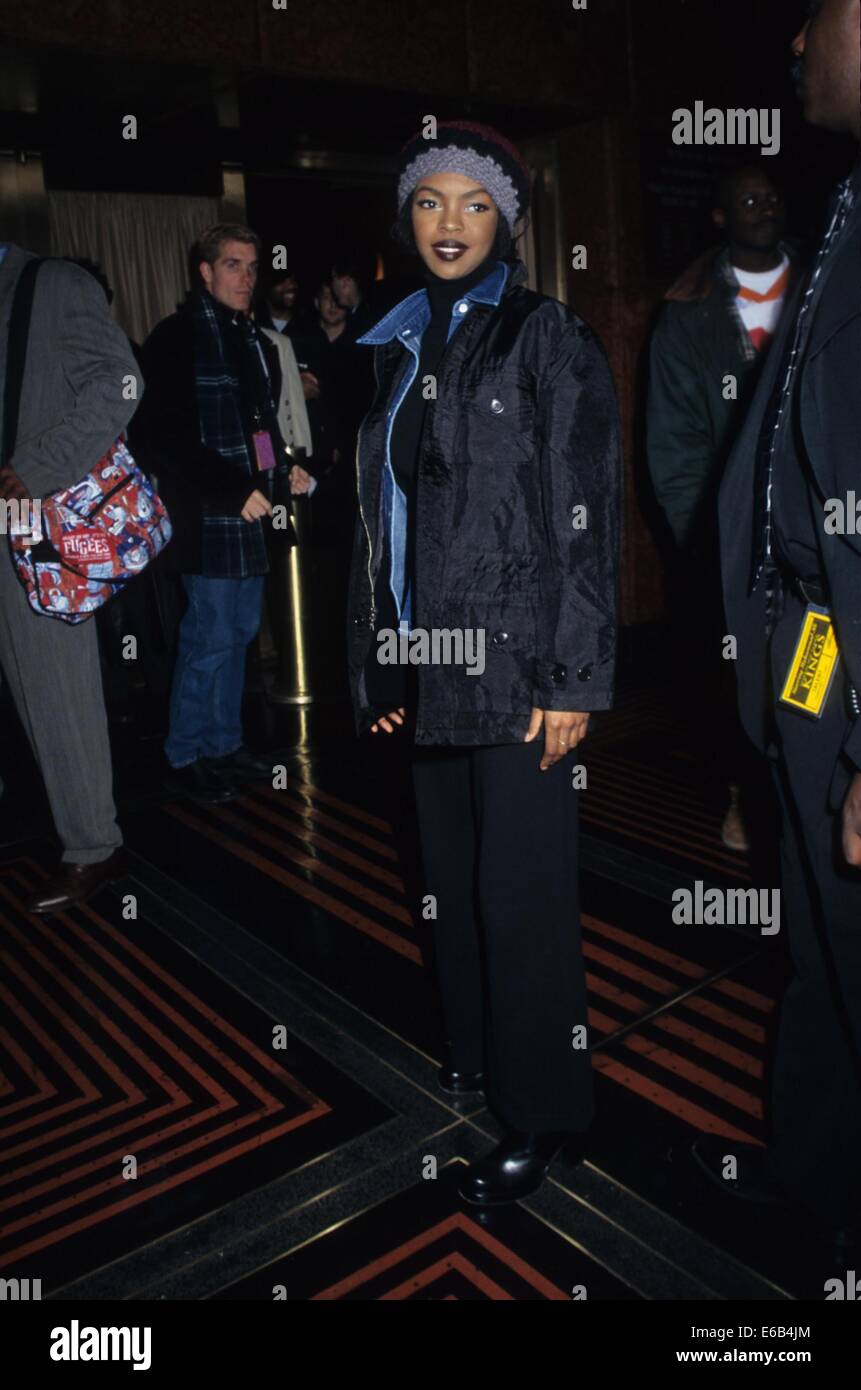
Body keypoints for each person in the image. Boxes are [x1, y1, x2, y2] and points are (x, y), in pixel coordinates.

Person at [347, 121, 621, 1204]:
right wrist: (381, 668)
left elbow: (584, 520)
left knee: (522, 898)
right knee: (448, 887)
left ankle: (550, 1112)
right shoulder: (395, 341)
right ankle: (477, 1051)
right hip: (427, 663)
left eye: (471, 202)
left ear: (504, 216)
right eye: (428, 201)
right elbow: (382, 523)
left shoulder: (546, 336)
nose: (448, 222)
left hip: (519, 670)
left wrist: (576, 677)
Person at [696, 0, 861, 1261]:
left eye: (815, 15)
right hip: (812, 647)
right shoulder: (848, 205)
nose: (796, 46)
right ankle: (819, 1182)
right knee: (819, 933)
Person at [647, 165, 802, 852]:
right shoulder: (686, 310)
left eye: (770, 197)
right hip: (731, 533)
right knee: (739, 676)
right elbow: (673, 447)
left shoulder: (825, 284)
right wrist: (704, 542)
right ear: (718, 217)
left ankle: (813, 794)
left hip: (821, 528)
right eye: (745, 199)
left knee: (819, 667)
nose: (761, 208)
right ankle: (745, 791)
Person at [130, 223, 304, 803]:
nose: (246, 279)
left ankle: (224, 744)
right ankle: (185, 753)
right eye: (233, 265)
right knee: (208, 636)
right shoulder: (176, 337)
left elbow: (260, 428)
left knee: (238, 634)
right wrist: (233, 488)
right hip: (207, 515)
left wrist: (282, 471)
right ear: (204, 272)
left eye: (252, 268)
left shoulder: (250, 340)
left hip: (249, 510)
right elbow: (160, 439)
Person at [0, 245, 137, 913]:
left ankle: (93, 846)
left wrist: (35, 465)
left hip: (30, 518)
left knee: (54, 691)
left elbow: (120, 381)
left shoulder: (53, 283)